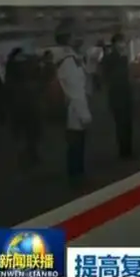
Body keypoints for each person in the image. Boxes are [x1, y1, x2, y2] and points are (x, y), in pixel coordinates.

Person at [54, 19, 92, 185]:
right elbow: (76, 92)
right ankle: (77, 179)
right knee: (76, 147)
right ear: (68, 38)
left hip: (75, 109)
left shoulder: (71, 58)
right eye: (75, 35)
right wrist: (85, 115)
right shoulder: (69, 61)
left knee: (77, 146)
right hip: (75, 111)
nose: (79, 38)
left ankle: (77, 176)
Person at [102, 33, 133, 159]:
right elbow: (106, 77)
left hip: (126, 94)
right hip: (116, 95)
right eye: (120, 42)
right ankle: (124, 151)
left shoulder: (124, 58)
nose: (122, 44)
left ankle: (128, 149)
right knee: (121, 124)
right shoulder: (109, 59)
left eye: (123, 42)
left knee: (128, 124)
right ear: (114, 44)